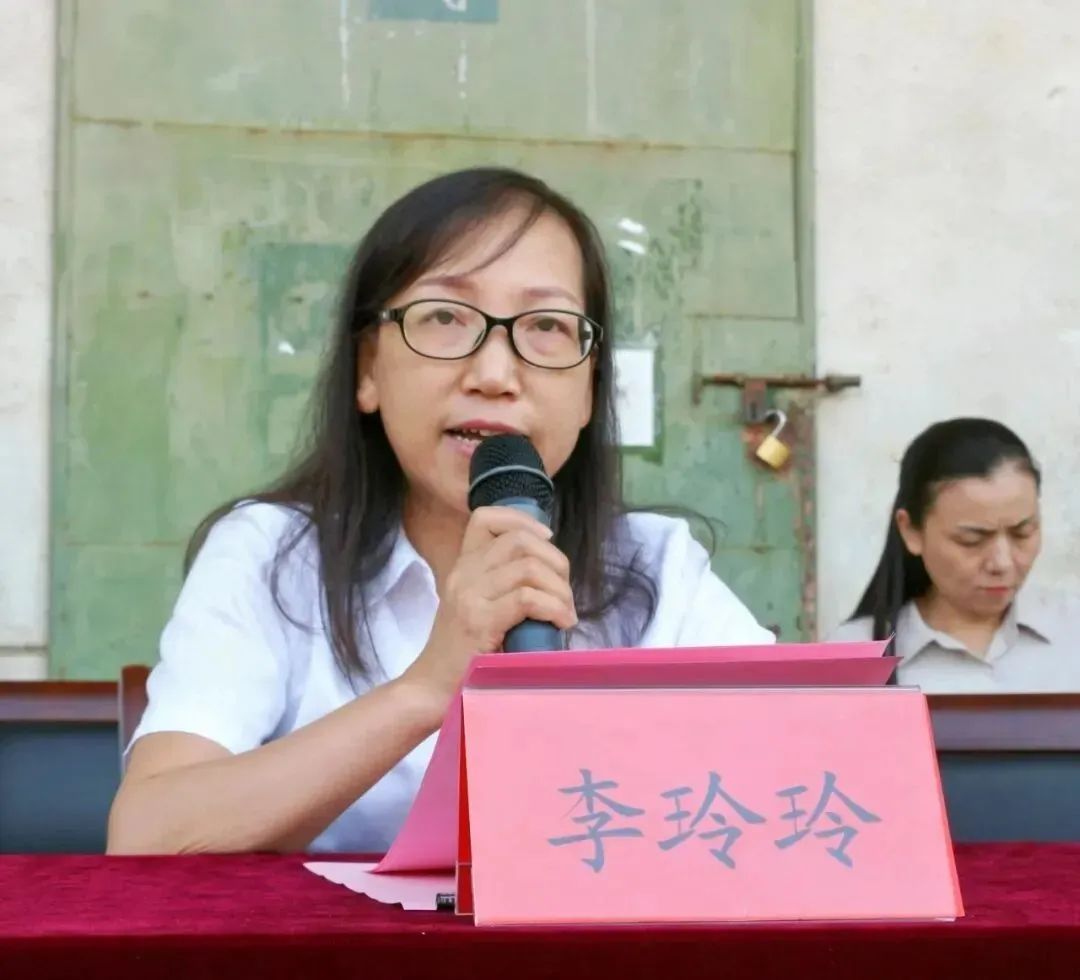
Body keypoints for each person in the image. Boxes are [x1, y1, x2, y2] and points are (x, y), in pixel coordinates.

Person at [107, 167, 774, 855]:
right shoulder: (271, 556)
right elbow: (150, 837)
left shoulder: (656, 566)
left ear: (589, 390)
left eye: (547, 325)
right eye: (446, 318)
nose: (494, 374)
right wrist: (426, 689)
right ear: (368, 369)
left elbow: (807, 774)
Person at [829, 417, 1080, 692]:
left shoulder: (1072, 631)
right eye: (972, 540)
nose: (1002, 563)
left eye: (1023, 533)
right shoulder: (848, 661)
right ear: (911, 531)